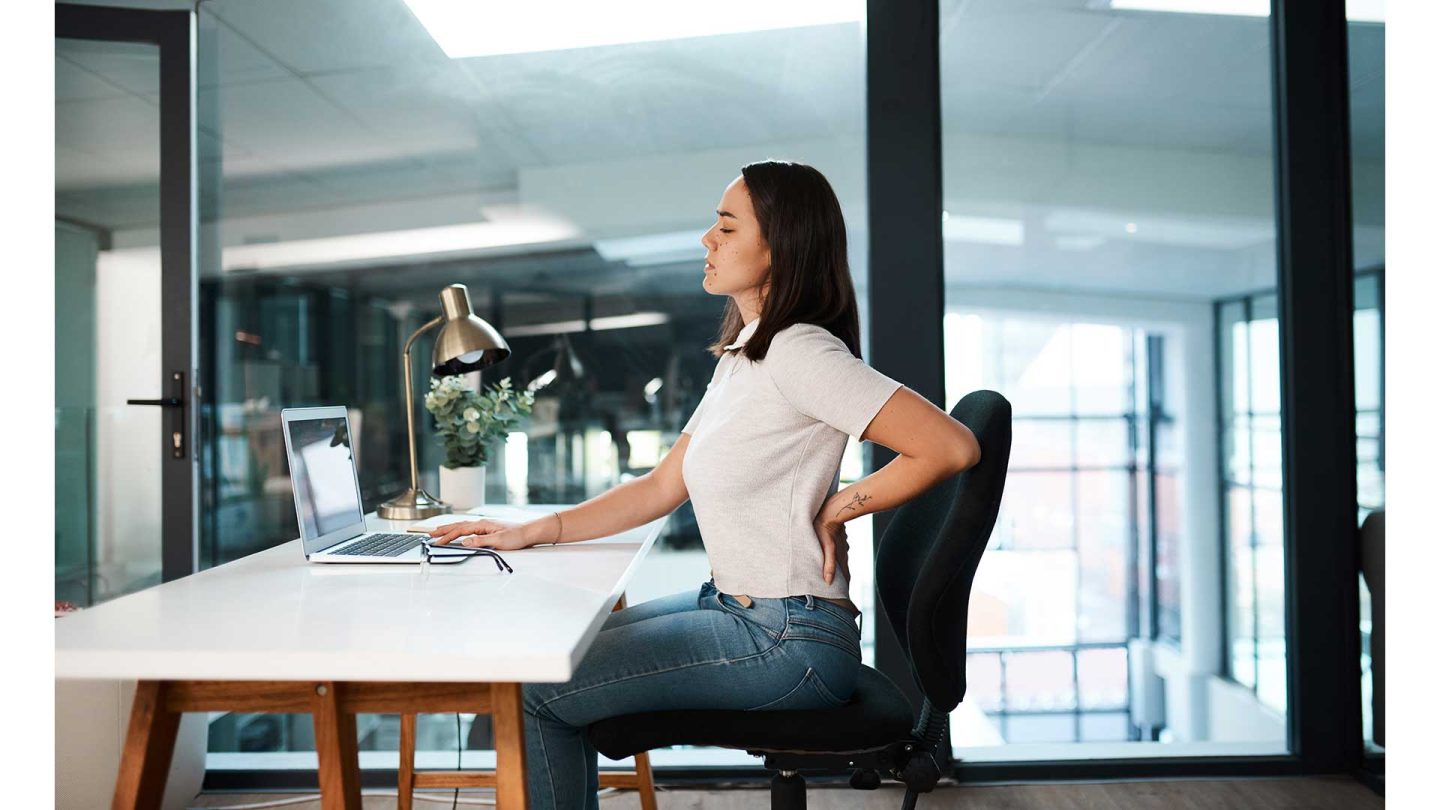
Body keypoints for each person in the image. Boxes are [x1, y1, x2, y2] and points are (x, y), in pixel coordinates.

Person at [428, 159, 982, 810]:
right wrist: (532, 531)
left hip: (787, 639)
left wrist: (840, 508)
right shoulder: (746, 351)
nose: (706, 240)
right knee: (559, 643)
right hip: (739, 607)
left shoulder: (803, 353)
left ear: (783, 245)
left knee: (535, 689)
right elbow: (662, 486)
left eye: (726, 226)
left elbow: (951, 445)